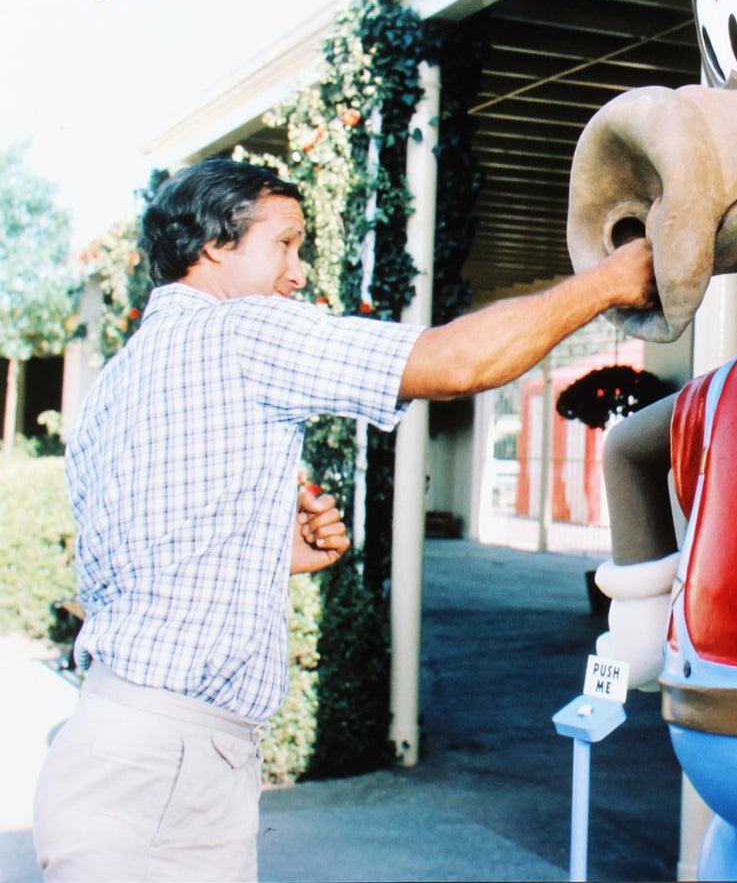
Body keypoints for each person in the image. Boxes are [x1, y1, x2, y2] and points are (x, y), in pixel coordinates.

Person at [32, 158, 655, 882]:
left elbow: (143, 548)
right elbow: (456, 362)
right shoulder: (242, 331)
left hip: (114, 743)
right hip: (168, 769)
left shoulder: (117, 380)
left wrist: (267, 547)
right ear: (212, 246)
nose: (298, 273)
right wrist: (608, 281)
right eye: (284, 244)